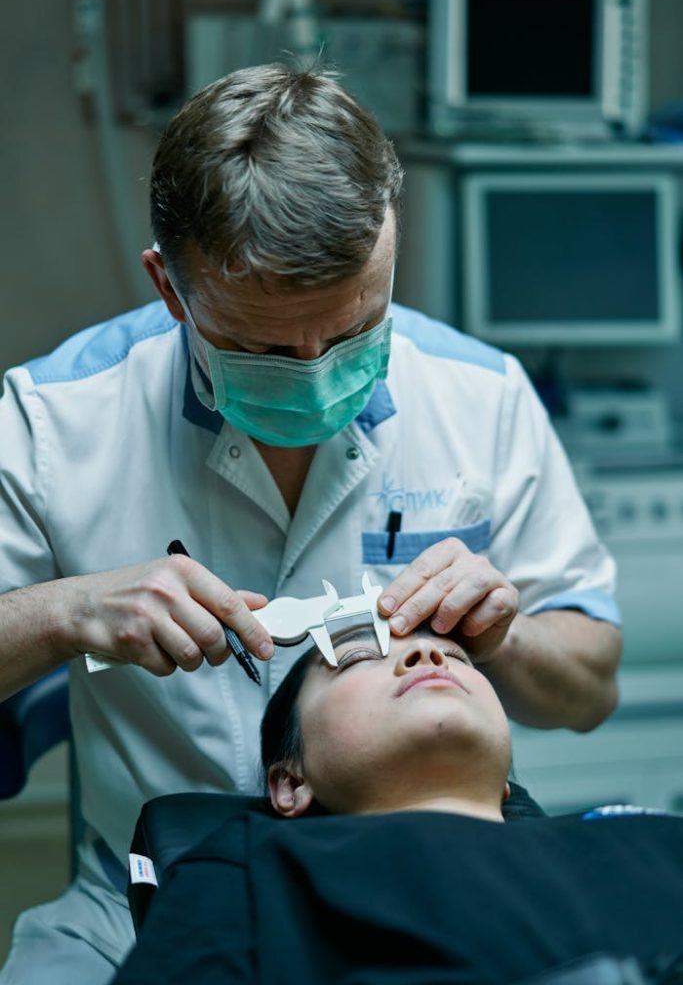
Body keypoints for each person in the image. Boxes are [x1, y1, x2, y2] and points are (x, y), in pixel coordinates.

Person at [0, 63, 621, 983]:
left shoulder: (480, 398)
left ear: (389, 246)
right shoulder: (54, 422)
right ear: (170, 289)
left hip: (443, 892)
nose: (316, 373)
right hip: (147, 906)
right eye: (262, 349)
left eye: (352, 333)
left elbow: (588, 690)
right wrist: (63, 614)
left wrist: (508, 638)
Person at [111, 627, 683, 985]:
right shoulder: (253, 868)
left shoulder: (657, 841)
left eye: (457, 655)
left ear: (507, 785)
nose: (431, 653)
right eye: (358, 657)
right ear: (290, 784)